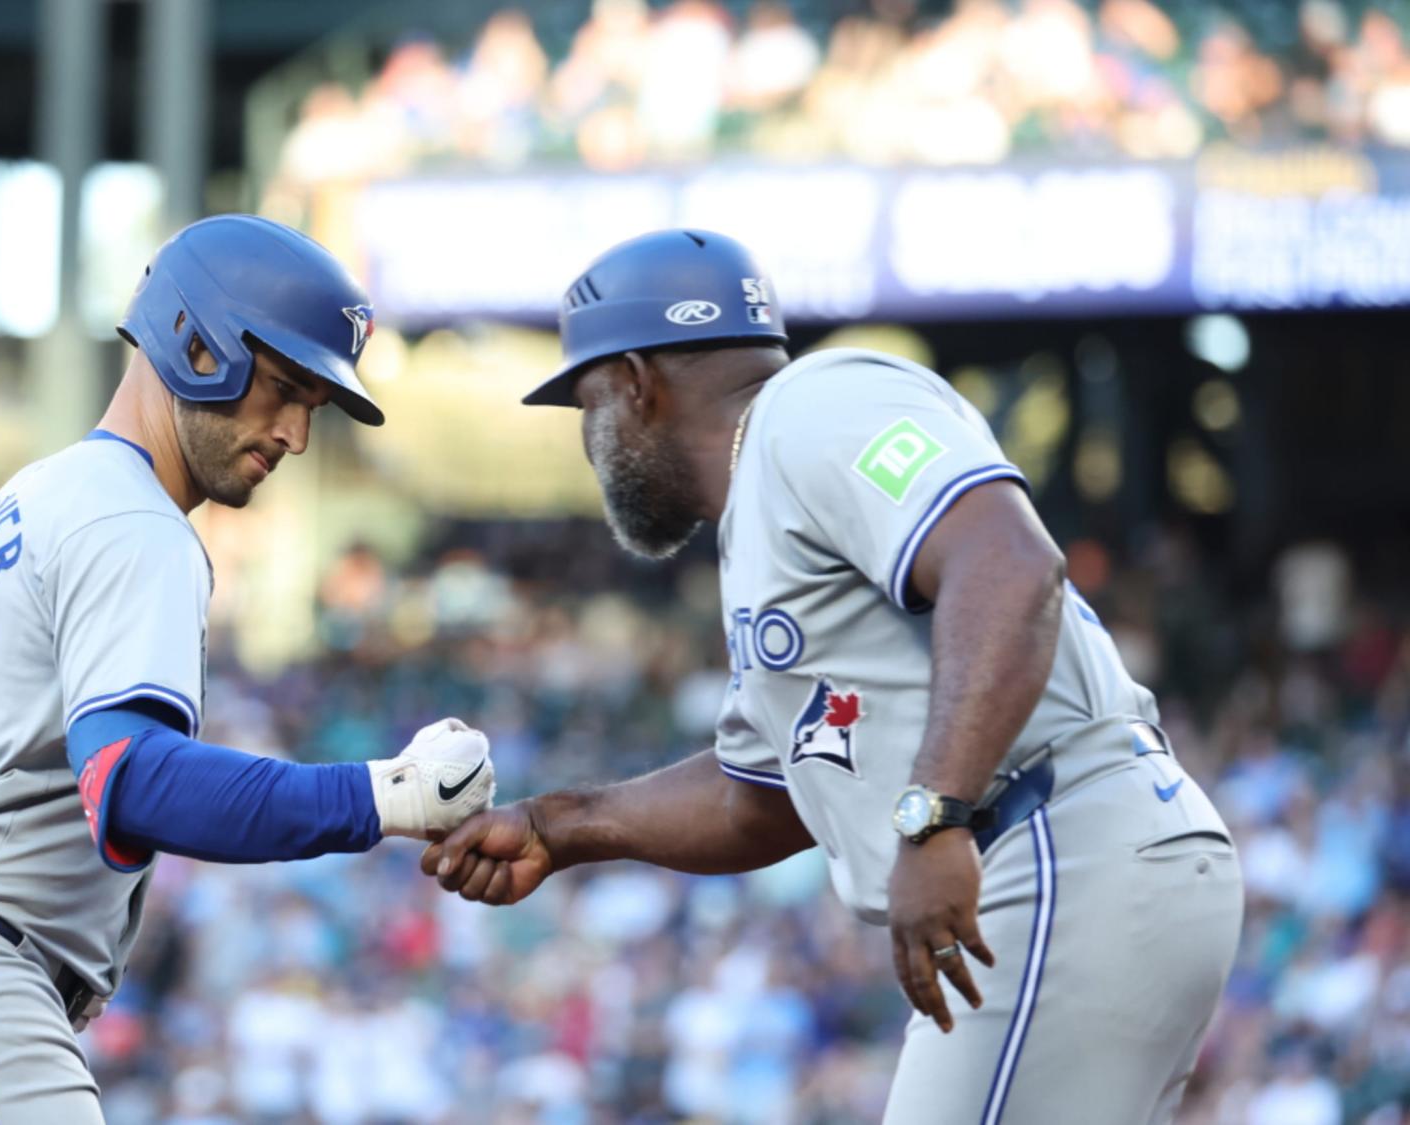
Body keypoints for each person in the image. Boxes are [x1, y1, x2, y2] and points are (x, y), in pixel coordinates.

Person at [424, 229, 1242, 1124]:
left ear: (634, 381)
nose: (592, 440)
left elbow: (1009, 563)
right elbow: (758, 800)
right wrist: (561, 826)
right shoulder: (767, 515)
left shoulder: (812, 405)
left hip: (1054, 843)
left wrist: (935, 815)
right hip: (1087, 859)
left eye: (587, 404)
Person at [0, 215, 496, 1125]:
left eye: (312, 404)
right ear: (196, 343)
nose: (296, 434)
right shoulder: (138, 522)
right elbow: (132, 777)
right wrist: (379, 796)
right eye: (284, 389)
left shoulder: (23, 500)